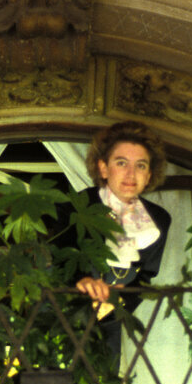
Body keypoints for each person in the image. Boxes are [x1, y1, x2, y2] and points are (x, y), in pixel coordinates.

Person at [54, 120, 172, 364]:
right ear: (103, 168)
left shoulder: (159, 219)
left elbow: (145, 277)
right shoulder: (73, 208)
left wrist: (117, 305)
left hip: (113, 318)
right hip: (65, 314)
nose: (131, 174)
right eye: (121, 163)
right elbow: (58, 259)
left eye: (140, 165)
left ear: (149, 175)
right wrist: (82, 281)